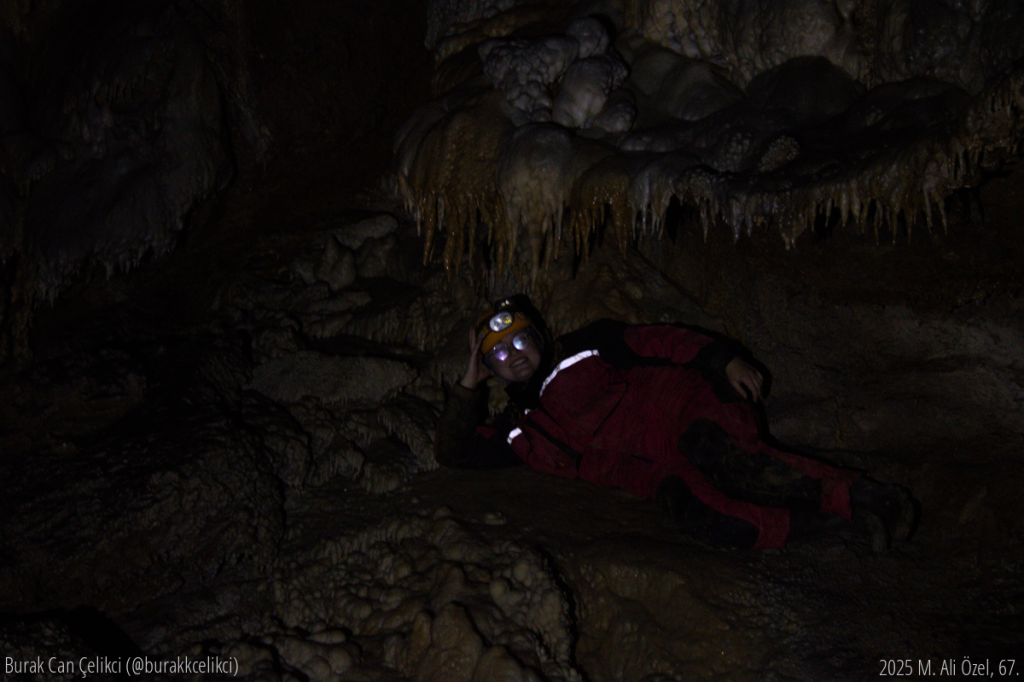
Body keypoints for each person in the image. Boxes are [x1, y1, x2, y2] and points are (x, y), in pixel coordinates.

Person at [436, 295, 916, 550]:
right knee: (715, 523)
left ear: (539, 336)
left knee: (729, 462)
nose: (514, 355)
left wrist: (722, 360)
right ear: (491, 368)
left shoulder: (585, 346)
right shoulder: (520, 431)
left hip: (691, 407)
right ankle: (841, 531)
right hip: (655, 470)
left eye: (520, 341)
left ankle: (870, 498)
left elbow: (659, 340)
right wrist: (467, 386)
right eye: (499, 353)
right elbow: (454, 453)